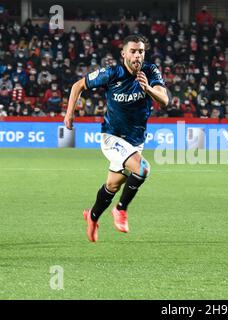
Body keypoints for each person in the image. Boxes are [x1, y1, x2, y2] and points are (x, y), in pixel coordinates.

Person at [64, 34, 169, 242]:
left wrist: (147, 88)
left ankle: (92, 217)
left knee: (112, 186)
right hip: (112, 138)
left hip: (135, 142)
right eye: (133, 51)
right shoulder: (112, 73)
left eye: (141, 51)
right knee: (142, 169)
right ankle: (120, 209)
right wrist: (69, 113)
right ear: (124, 54)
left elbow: (164, 100)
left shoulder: (150, 71)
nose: (137, 55)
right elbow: (78, 86)